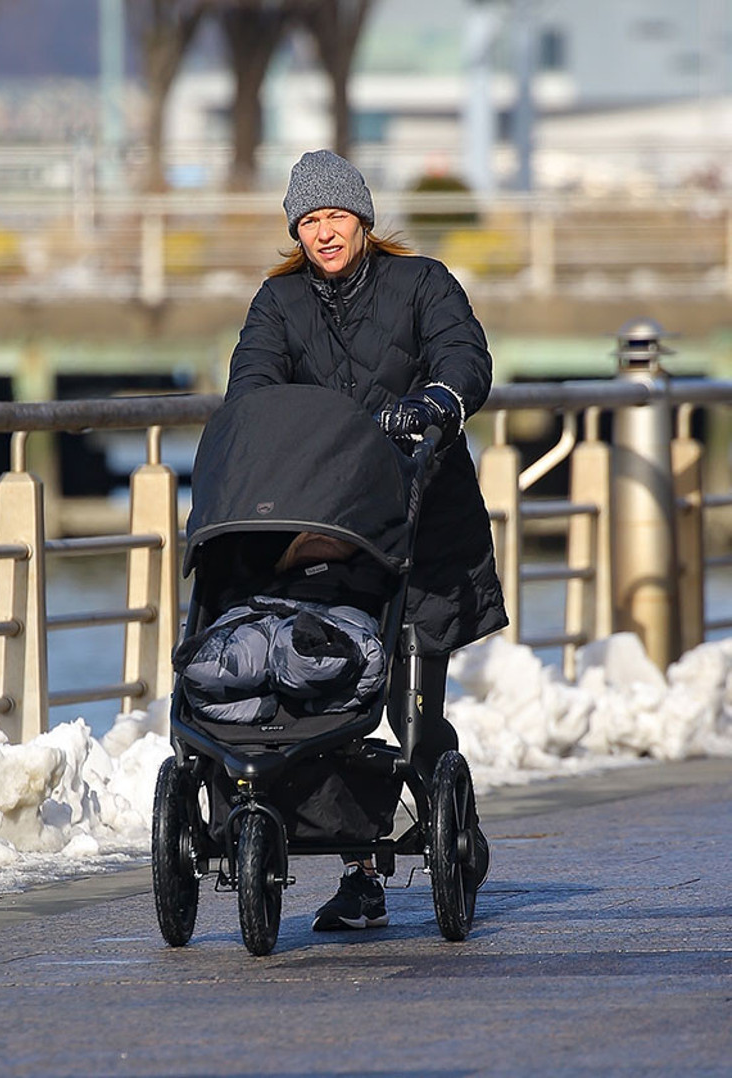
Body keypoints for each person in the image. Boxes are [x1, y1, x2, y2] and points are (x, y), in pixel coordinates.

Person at [224, 149, 508, 931]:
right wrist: (254, 427)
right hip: (327, 530)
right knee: (325, 694)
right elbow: (251, 382)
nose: (323, 232)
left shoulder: (422, 284)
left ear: (363, 219)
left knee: (411, 713)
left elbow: (463, 353)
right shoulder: (278, 304)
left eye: (335, 216)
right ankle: (361, 874)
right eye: (309, 220)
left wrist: (440, 399)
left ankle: (447, 813)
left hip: (422, 530)